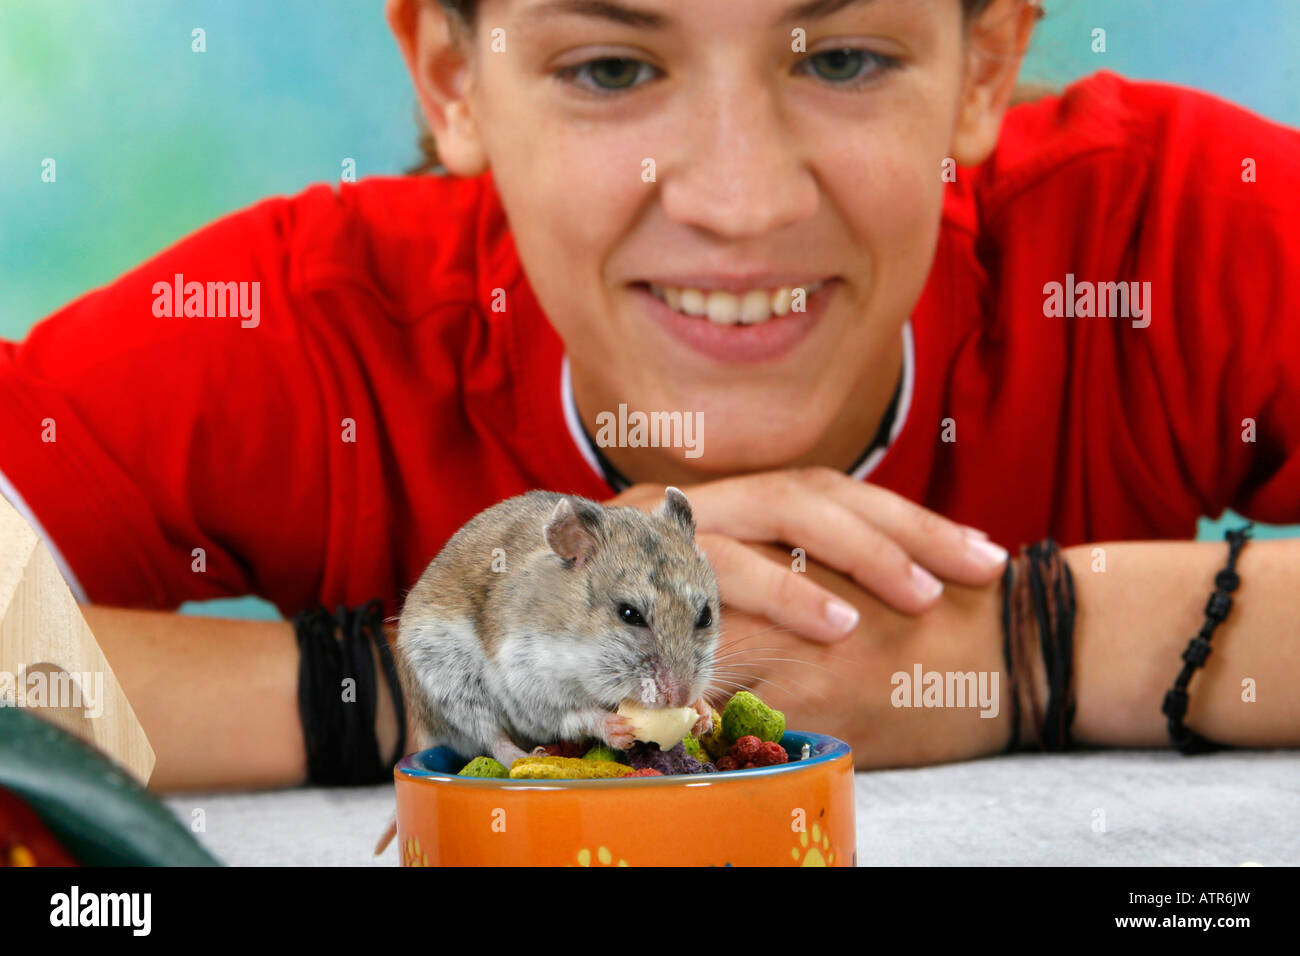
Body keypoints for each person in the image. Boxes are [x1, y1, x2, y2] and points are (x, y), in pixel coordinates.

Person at [1, 0, 1297, 792]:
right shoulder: (308, 328)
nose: (742, 202)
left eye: (841, 58)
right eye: (612, 70)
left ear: (981, 65)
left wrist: (1022, 643)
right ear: (454, 78)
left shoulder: (1163, 232)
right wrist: (459, 685)